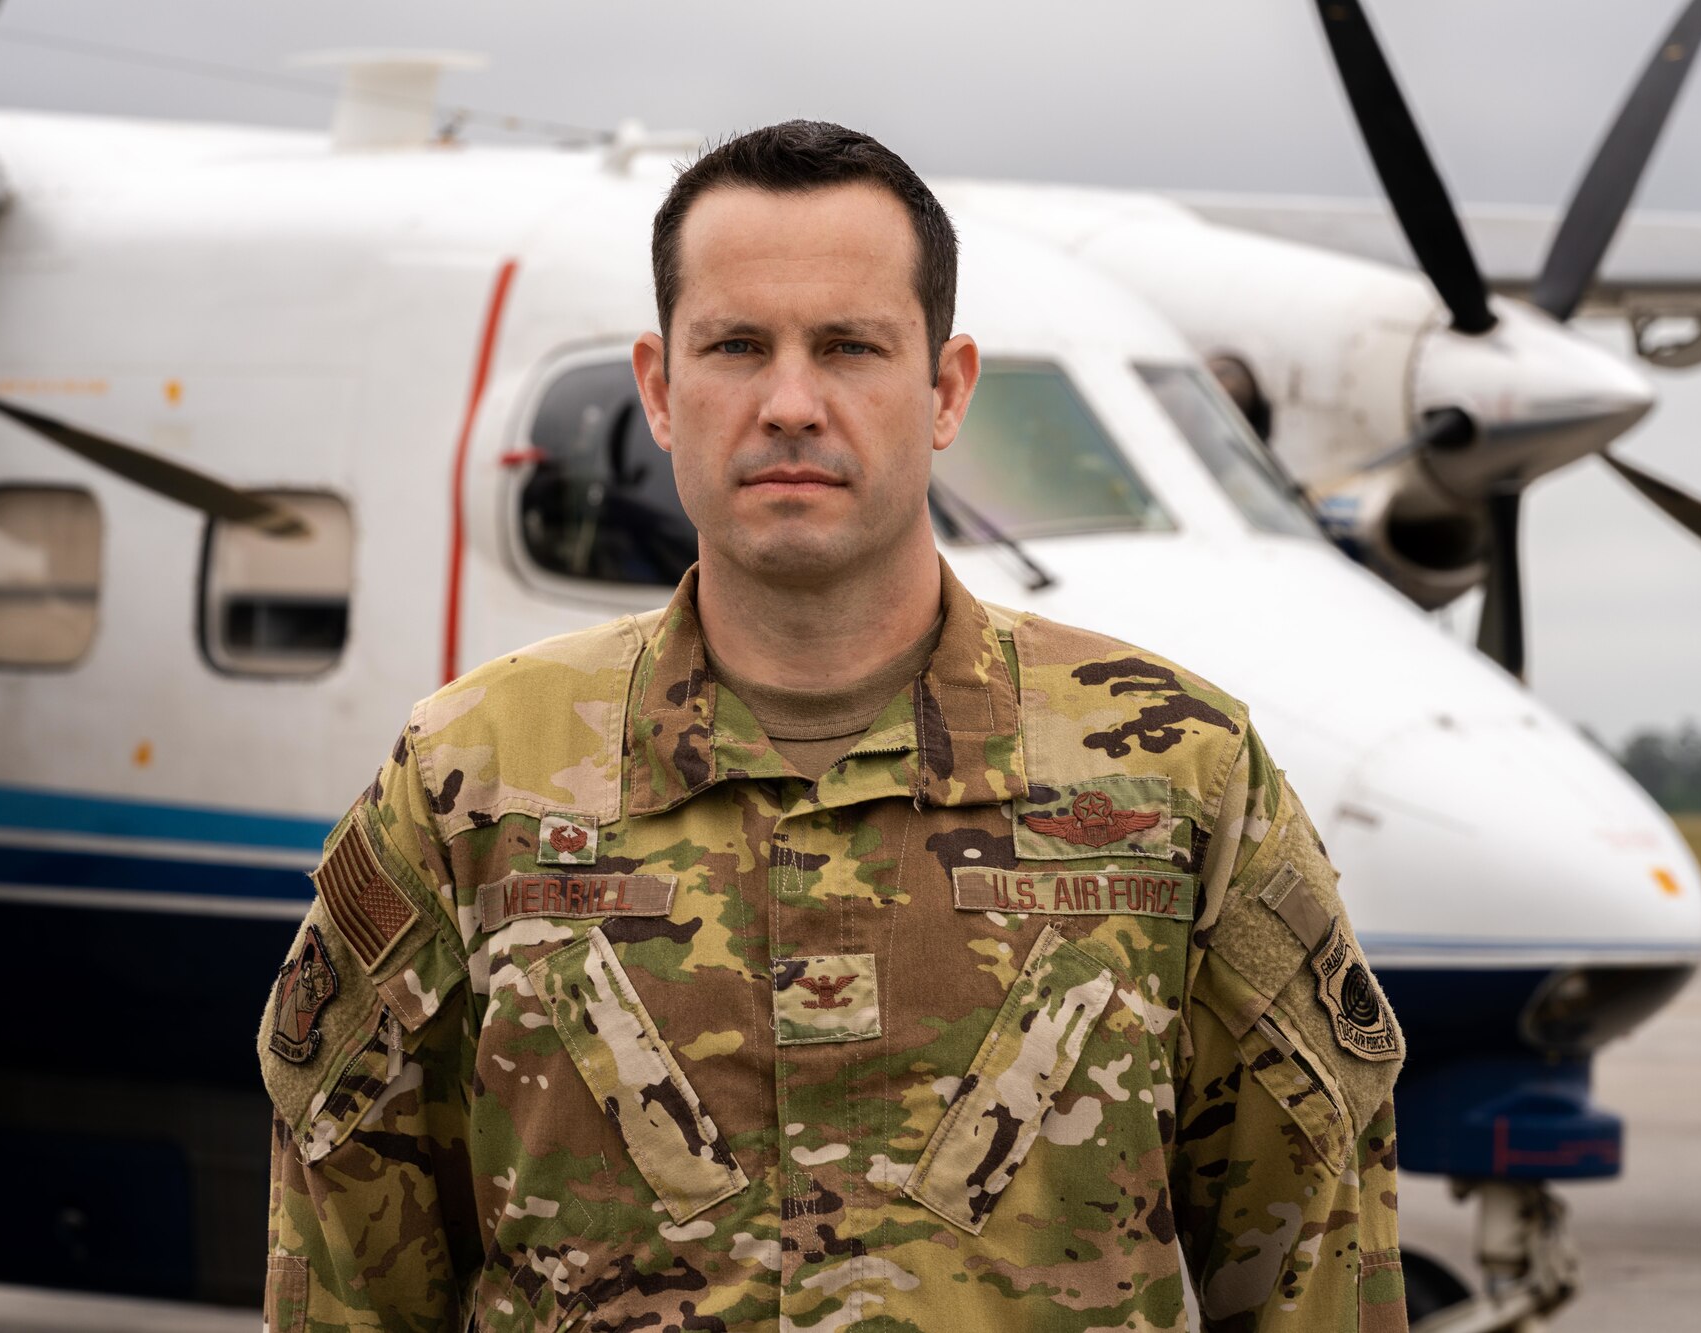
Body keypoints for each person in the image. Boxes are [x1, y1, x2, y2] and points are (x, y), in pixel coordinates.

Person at [258, 120, 1408, 1333]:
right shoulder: (473, 776)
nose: (791, 403)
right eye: (736, 346)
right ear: (659, 388)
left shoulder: (1180, 770)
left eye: (850, 347)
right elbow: (348, 1264)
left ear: (946, 390)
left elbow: (1315, 1263)